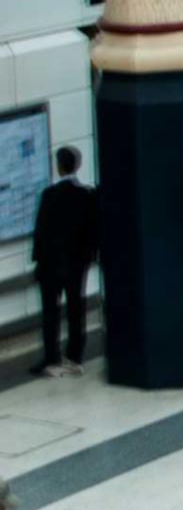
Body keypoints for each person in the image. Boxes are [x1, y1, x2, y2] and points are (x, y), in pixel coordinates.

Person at [29, 146, 97, 378]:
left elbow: (41, 232)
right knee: (76, 307)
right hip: (77, 264)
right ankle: (75, 356)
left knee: (51, 312)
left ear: (59, 166)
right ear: (77, 165)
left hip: (50, 265)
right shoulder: (87, 195)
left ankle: (51, 358)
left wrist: (38, 261)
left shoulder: (49, 195)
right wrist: (89, 256)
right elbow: (92, 231)